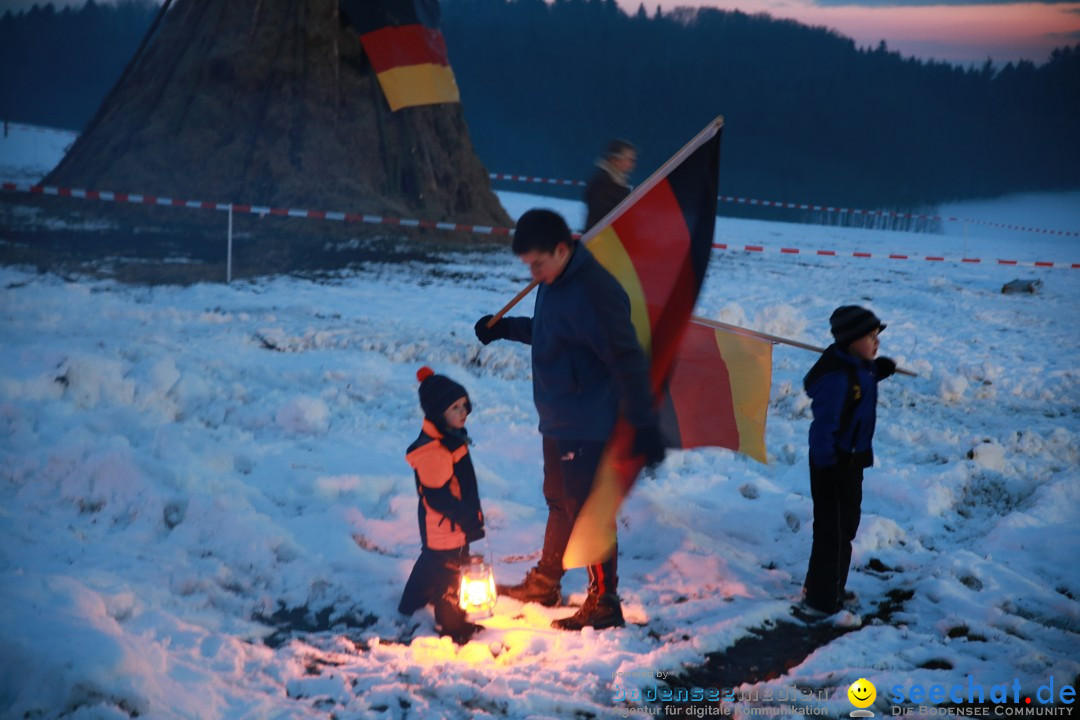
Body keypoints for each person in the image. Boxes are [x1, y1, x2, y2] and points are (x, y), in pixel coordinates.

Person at [473, 208, 665, 631]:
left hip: (587, 421)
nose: (533, 273)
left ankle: (605, 601)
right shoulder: (554, 281)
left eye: (537, 263)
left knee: (587, 510)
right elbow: (551, 330)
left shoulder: (595, 293)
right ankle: (545, 582)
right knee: (560, 503)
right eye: (528, 265)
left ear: (562, 250)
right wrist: (504, 329)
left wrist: (643, 423)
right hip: (558, 416)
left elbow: (626, 359)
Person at [800, 306, 897, 618]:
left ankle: (828, 587)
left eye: (876, 337)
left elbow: (862, 383)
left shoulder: (857, 368)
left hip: (852, 461)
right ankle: (821, 601)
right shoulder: (837, 378)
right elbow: (823, 427)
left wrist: (877, 370)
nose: (876, 343)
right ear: (851, 340)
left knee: (845, 527)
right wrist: (828, 467)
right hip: (834, 465)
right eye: (870, 337)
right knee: (833, 532)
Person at [398, 366, 486, 644]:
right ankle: (451, 625)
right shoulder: (434, 450)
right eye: (455, 407)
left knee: (431, 562)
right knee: (450, 573)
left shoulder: (449, 438)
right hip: (446, 525)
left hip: (447, 524)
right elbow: (437, 496)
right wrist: (467, 518)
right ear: (438, 413)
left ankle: (410, 603)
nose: (463, 412)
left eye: (464, 405)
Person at [583, 139, 637, 232]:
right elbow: (605, 219)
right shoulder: (601, 184)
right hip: (601, 241)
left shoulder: (618, 183)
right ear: (614, 159)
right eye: (629, 160)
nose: (632, 165)